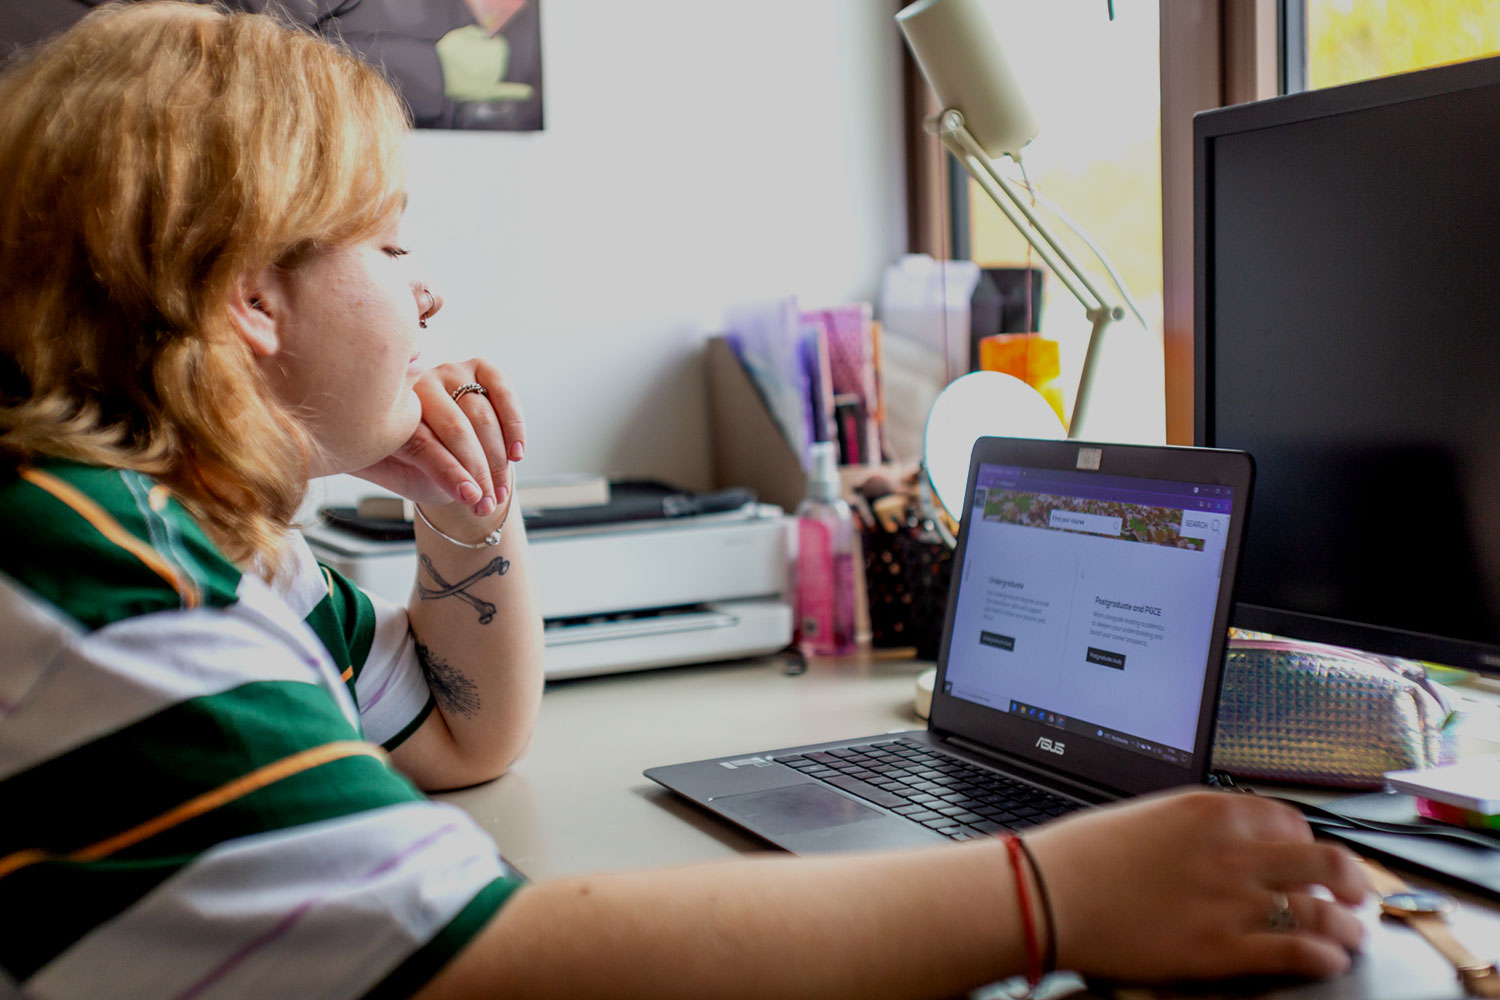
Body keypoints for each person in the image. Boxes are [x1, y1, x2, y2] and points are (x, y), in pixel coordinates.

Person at [0, 5, 1369, 998]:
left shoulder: (201, 540)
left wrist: (467, 510)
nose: (424, 289)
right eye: (393, 238)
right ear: (248, 296)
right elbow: (483, 966)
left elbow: (462, 745)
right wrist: (1050, 894)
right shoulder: (104, 589)